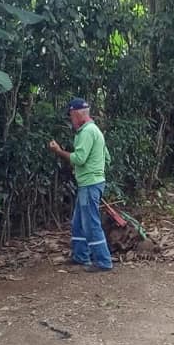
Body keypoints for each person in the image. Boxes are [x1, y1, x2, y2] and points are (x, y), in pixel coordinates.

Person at [48, 98, 114, 272]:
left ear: (77, 114)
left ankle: (103, 261)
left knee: (91, 223)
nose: (71, 119)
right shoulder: (95, 130)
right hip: (91, 183)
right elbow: (107, 158)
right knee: (78, 222)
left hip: (90, 185)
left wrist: (58, 151)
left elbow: (79, 159)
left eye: (71, 115)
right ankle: (80, 256)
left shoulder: (87, 132)